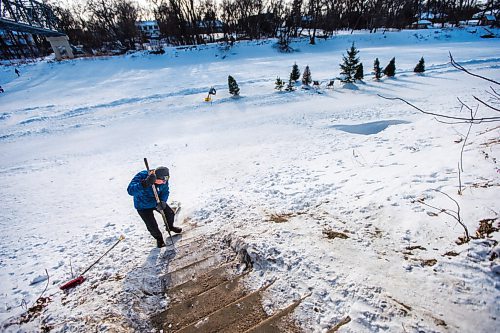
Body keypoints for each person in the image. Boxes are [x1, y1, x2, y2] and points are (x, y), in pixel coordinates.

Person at [127, 166, 182, 248]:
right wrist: (145, 183)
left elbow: (165, 191)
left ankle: (170, 227)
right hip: (142, 206)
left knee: (170, 214)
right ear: (156, 177)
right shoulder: (142, 175)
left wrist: (163, 201)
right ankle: (159, 239)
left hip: (157, 202)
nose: (164, 182)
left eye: (166, 180)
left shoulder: (164, 181)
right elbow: (130, 190)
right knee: (152, 225)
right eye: (162, 180)